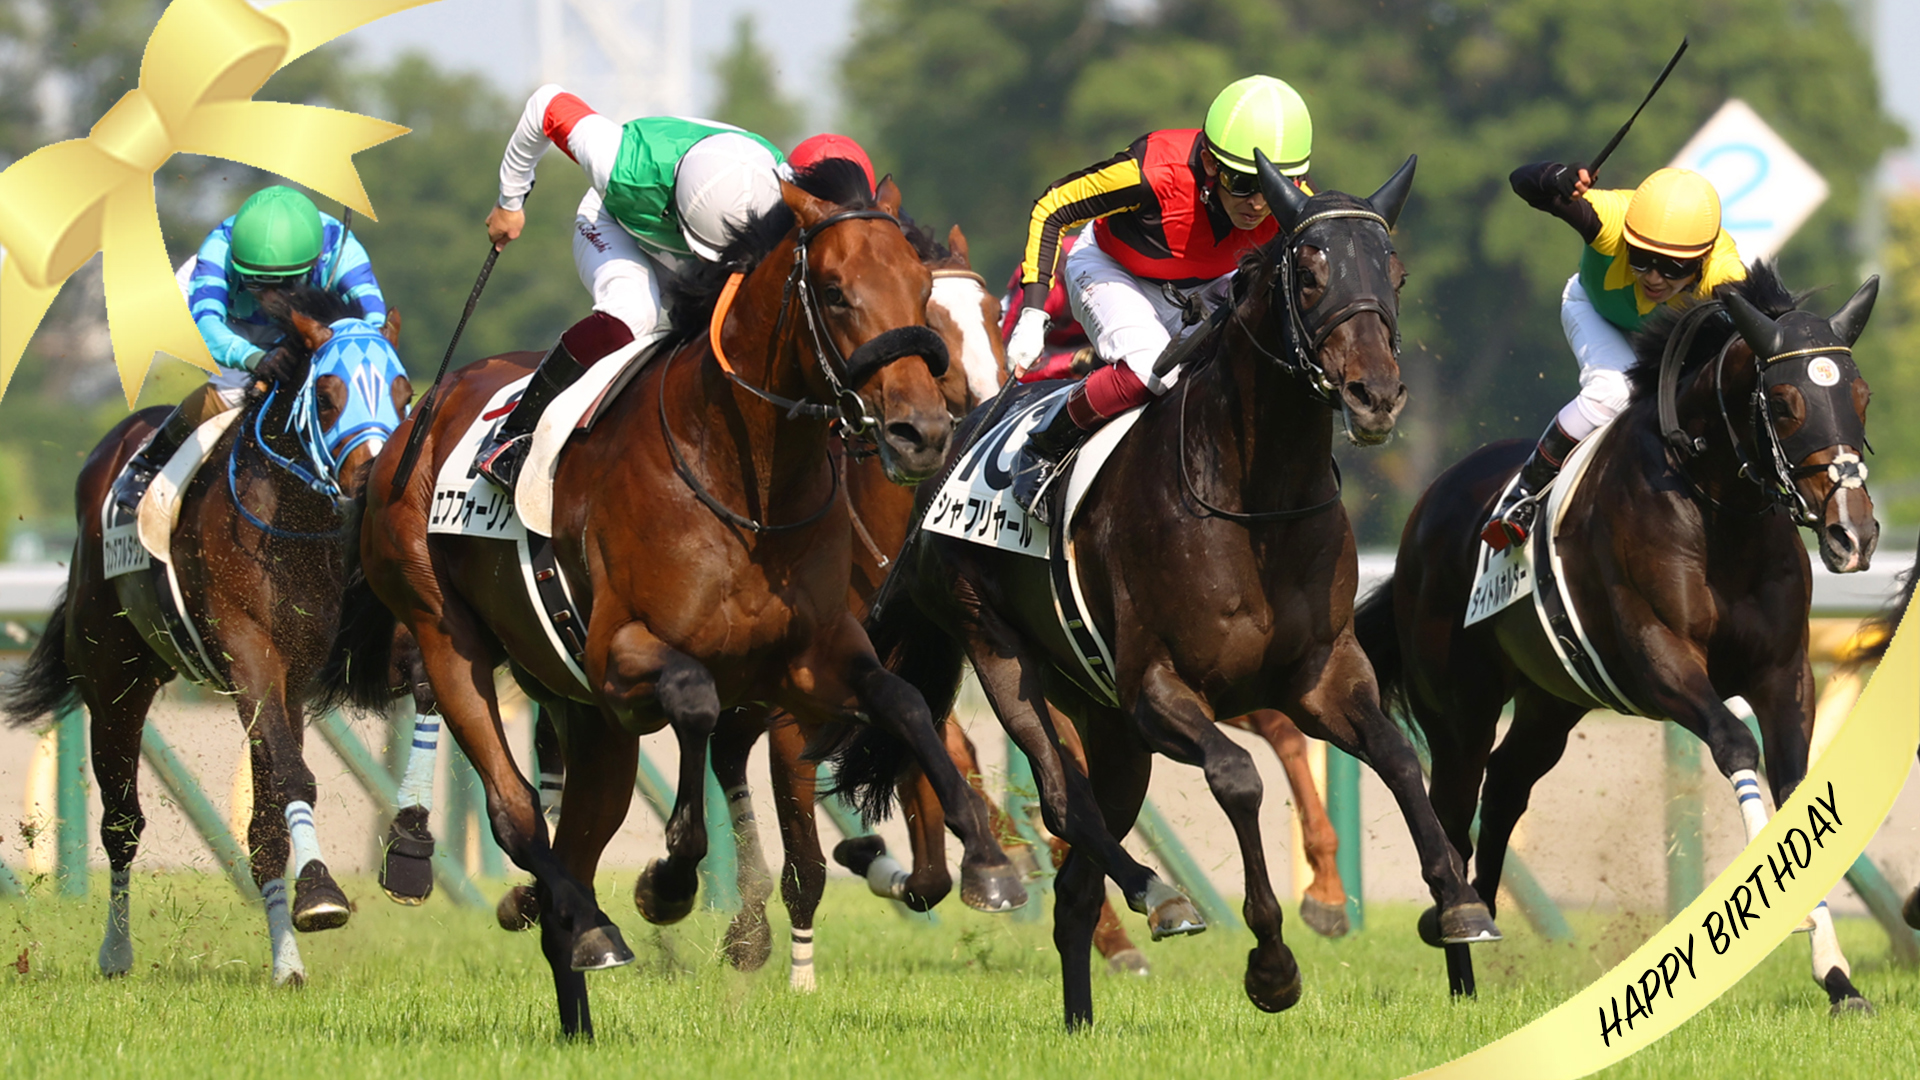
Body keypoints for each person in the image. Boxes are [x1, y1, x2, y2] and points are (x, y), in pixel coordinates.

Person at [475, 85, 786, 494]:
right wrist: (509, 201)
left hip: (724, 242)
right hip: (613, 221)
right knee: (632, 314)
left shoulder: (780, 191)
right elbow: (545, 104)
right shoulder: (617, 160)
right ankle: (513, 436)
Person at [1004, 75, 1313, 461]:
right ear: (1209, 163)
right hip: (1113, 268)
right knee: (1152, 369)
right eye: (1242, 182)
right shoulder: (1155, 169)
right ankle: (1043, 446)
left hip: (1207, 284)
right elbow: (1052, 208)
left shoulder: (1297, 202)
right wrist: (1033, 313)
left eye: (1273, 185)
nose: (1258, 203)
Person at [1480, 163, 1745, 550]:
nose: (1653, 277)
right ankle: (1522, 496)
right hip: (1594, 310)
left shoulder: (1725, 271)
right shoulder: (1609, 219)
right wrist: (1555, 177)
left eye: (1673, 267)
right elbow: (1521, 182)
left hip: (1663, 337)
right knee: (1613, 392)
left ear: (1703, 260)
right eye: (1640, 257)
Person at [121, 185, 387, 491]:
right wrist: (254, 358)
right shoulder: (218, 249)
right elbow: (208, 326)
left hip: (299, 319)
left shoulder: (342, 251)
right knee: (233, 386)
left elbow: (374, 323)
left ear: (314, 264)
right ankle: (150, 461)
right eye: (258, 282)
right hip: (223, 316)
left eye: (285, 284)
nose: (271, 298)